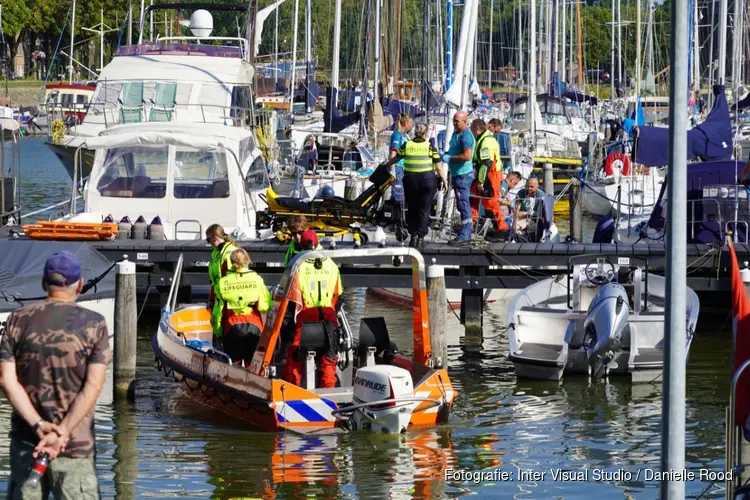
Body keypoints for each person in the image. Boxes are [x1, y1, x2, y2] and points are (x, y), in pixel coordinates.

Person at [0, 251, 109, 498]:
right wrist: (63, 432)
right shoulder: (95, 323)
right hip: (75, 446)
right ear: (80, 284)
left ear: (43, 283)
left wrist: (39, 426)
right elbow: (93, 385)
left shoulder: (16, 320)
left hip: (28, 444)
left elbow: (6, 380)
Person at [284, 230, 342, 389]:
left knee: (295, 356)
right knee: (328, 359)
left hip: (306, 318)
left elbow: (291, 298)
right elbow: (338, 296)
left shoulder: (298, 265)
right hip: (328, 318)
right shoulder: (331, 264)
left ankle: (292, 390)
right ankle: (330, 395)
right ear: (317, 244)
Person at [382, 122, 447, 250]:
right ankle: (421, 237)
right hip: (427, 181)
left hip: (411, 180)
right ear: (425, 134)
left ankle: (413, 236)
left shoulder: (407, 145)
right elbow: (439, 165)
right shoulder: (430, 147)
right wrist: (444, 179)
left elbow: (397, 158)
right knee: (424, 209)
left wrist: (386, 165)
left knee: (412, 208)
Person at [216, 249, 272, 367]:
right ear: (247, 260)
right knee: (254, 365)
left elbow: (218, 312)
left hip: (232, 325)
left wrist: (218, 333)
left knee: (233, 366)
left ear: (231, 262)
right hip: (254, 325)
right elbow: (265, 305)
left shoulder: (222, 283)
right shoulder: (257, 279)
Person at [469, 119, 508, 237]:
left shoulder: (486, 142)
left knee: (490, 204)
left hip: (490, 175)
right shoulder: (484, 139)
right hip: (483, 173)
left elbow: (487, 162)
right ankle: (471, 224)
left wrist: (481, 181)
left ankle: (502, 229)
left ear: (476, 129)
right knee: (472, 199)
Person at [442, 110, 476, 245]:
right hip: (456, 173)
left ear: (465, 121)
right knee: (461, 204)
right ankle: (464, 233)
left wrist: (449, 158)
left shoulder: (466, 136)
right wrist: (445, 154)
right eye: (453, 121)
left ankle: (465, 235)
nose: (454, 123)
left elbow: (467, 156)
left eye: (457, 121)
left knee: (463, 204)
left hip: (463, 174)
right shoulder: (456, 134)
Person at [206, 224, 239, 342]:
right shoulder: (217, 253)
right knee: (217, 326)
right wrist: (211, 299)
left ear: (215, 237)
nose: (208, 243)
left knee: (226, 330)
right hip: (219, 298)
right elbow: (214, 281)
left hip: (229, 301)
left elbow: (232, 279)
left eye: (208, 239)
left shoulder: (229, 253)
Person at [389, 114, 413, 203]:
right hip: (397, 167)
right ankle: (397, 213)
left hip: (403, 167)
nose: (411, 126)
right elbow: (393, 152)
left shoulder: (404, 135)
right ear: (405, 123)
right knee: (398, 194)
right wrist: (392, 169)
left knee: (400, 192)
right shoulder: (397, 135)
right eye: (410, 123)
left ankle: (392, 211)